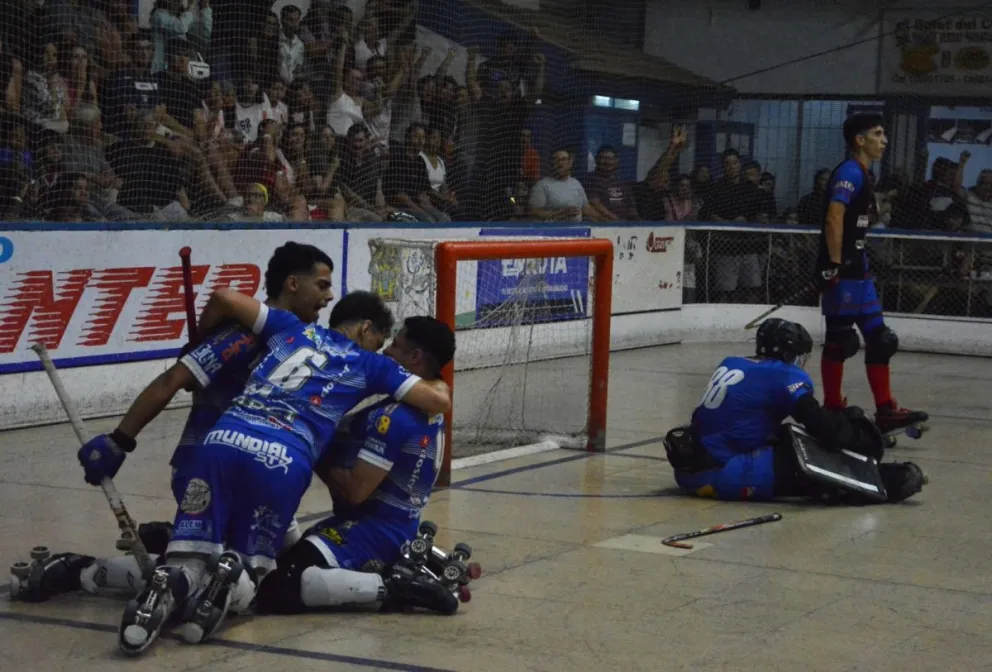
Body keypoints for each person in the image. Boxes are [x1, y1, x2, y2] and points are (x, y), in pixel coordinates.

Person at [116, 289, 452, 656]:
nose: (382, 350)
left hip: (224, 440)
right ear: (365, 329)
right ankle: (234, 575)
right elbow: (437, 401)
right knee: (259, 576)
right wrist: (436, 382)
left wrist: (201, 338)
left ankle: (163, 589)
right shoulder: (372, 365)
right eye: (380, 341)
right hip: (283, 459)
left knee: (189, 554)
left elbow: (225, 298)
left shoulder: (288, 327)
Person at [19, 242, 336, 601]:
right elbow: (170, 382)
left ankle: (172, 538)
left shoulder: (300, 341)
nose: (329, 295)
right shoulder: (241, 336)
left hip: (261, 472)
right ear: (293, 284)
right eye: (322, 285)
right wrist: (119, 440)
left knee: (287, 570)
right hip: (208, 467)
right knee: (219, 586)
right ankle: (80, 570)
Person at [255, 315, 462, 616]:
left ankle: (392, 589)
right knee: (283, 560)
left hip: (372, 531)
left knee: (279, 588)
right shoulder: (428, 399)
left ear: (415, 357)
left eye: (395, 345)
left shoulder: (395, 417)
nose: (386, 352)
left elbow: (355, 491)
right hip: (391, 525)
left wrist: (311, 446)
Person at [664, 318, 926, 504]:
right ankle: (884, 481)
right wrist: (865, 438)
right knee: (810, 461)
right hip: (720, 472)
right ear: (790, 353)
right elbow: (823, 428)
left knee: (789, 436)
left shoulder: (732, 362)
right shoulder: (783, 374)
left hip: (693, 466)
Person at [815, 113, 927, 433]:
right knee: (840, 343)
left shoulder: (866, 174)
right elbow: (834, 217)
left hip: (859, 273)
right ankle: (833, 408)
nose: (885, 140)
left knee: (881, 340)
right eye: (878, 134)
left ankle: (886, 410)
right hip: (844, 274)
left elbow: (855, 222)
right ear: (859, 140)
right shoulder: (849, 172)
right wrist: (833, 263)